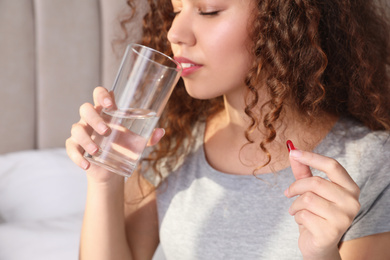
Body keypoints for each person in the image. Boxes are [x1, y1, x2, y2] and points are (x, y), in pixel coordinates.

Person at [66, 0, 390, 259]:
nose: (175, 33)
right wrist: (104, 179)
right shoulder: (174, 141)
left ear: (281, 20)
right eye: (176, 10)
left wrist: (321, 256)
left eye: (209, 11)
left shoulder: (374, 163)